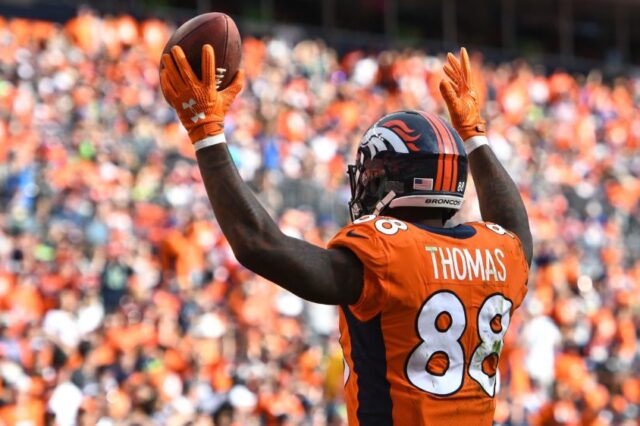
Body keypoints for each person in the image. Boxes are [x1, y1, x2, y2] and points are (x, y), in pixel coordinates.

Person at [159, 44, 532, 425]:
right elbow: (516, 228)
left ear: (391, 179)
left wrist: (206, 135)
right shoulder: (500, 252)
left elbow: (259, 244)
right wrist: (476, 138)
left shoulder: (388, 251)